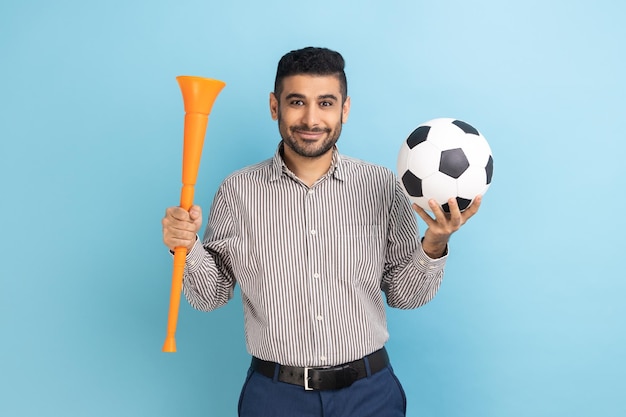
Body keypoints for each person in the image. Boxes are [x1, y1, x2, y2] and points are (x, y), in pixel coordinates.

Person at [162, 46, 481, 417]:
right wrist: (187, 246)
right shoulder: (237, 191)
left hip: (370, 395)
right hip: (275, 398)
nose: (311, 119)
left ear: (344, 109)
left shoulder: (383, 185)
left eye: (326, 103)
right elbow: (210, 295)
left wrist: (435, 243)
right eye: (296, 101)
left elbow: (403, 295)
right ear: (274, 106)